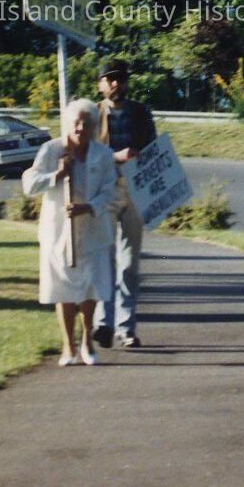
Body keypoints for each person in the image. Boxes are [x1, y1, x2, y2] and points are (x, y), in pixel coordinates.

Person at [22, 98, 117, 367]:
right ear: (67, 124)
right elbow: (29, 185)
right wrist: (57, 174)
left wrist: (89, 207)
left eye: (86, 124)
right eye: (76, 123)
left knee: (90, 286)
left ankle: (87, 340)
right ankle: (68, 345)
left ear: (94, 127)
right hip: (58, 232)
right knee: (62, 287)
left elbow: (110, 191)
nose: (80, 128)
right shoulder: (51, 150)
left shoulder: (103, 154)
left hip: (92, 231)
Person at [91, 58, 156, 349]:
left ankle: (126, 327)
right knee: (104, 258)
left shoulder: (142, 112)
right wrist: (115, 157)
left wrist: (141, 156)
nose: (117, 84)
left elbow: (154, 148)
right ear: (101, 85)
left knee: (129, 262)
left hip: (134, 190)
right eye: (111, 79)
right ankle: (103, 323)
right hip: (104, 192)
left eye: (121, 78)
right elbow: (85, 153)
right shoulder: (92, 114)